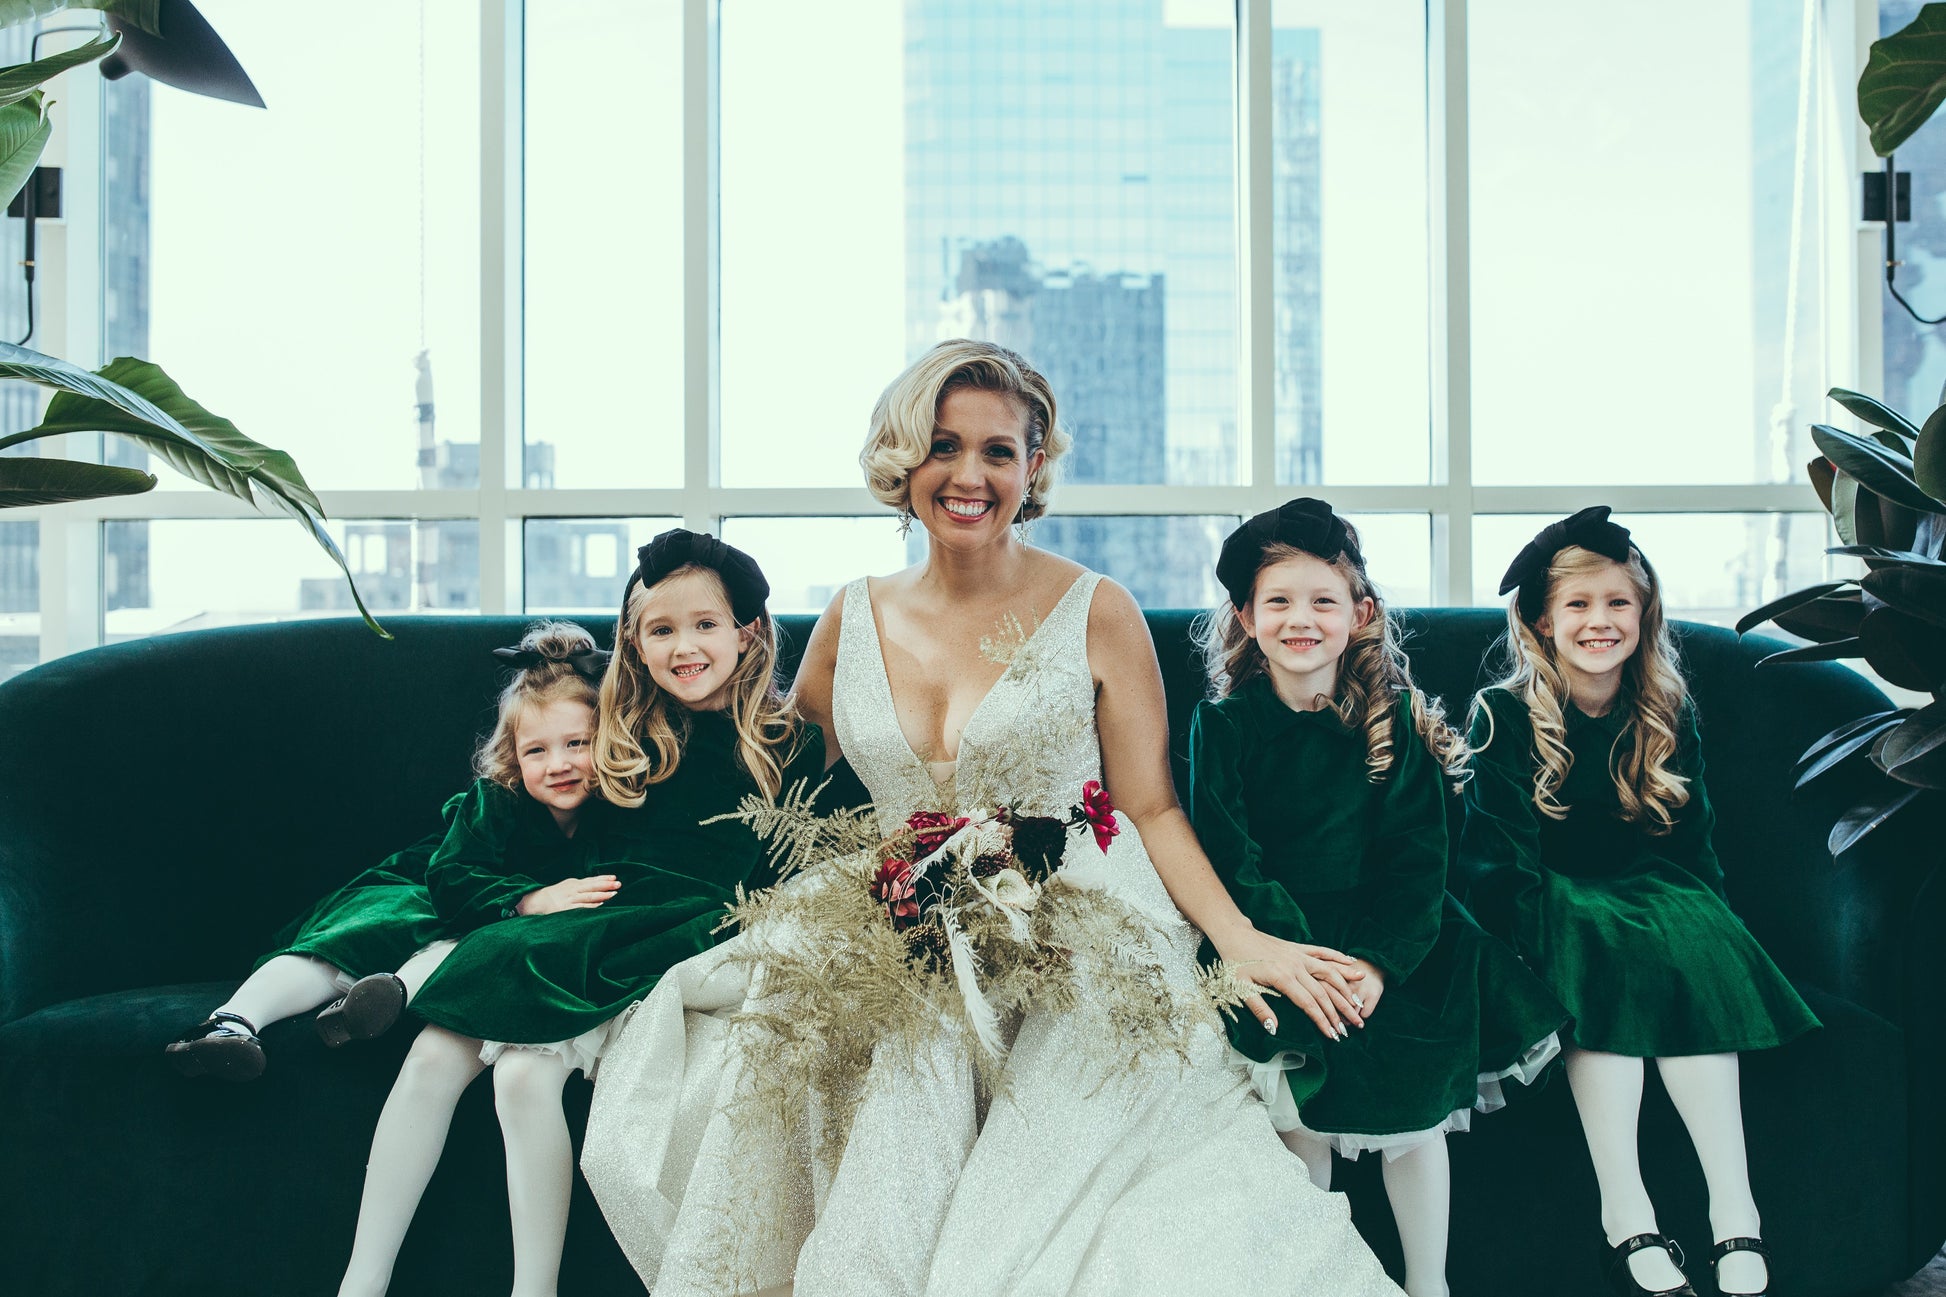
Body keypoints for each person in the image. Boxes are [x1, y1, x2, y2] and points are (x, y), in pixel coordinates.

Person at [586, 340, 1403, 1297]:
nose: (969, 475)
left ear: (1033, 466)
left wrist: (1241, 938)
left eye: (999, 451)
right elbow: (772, 779)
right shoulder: (850, 617)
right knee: (864, 1041)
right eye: (942, 445)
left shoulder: (1100, 609)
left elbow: (1149, 807)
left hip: (1074, 903)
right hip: (895, 907)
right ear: (904, 458)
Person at [338, 587, 822, 1297]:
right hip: (561, 927)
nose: (684, 647)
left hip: (636, 938)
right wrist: (527, 898)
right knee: (434, 1050)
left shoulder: (770, 741)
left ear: (748, 633)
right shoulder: (627, 723)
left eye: (705, 626)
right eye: (662, 631)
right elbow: (497, 837)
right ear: (635, 645)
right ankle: (362, 1280)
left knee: (523, 1075)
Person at [1188, 498, 1566, 1297]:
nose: (1302, 619)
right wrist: (1301, 961)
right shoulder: (1221, 727)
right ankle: (1310, 1277)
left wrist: (1376, 963)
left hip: (1396, 944)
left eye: (1323, 601)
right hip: (1277, 940)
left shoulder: (1389, 722)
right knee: (1298, 1118)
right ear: (1246, 615)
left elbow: (1419, 862)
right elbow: (1231, 856)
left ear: (1358, 613)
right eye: (1279, 601)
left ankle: (1428, 1282)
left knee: (1415, 1122)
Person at [1459, 508, 1818, 1297]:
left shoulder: (1665, 707)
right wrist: (1519, 958)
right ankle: (1628, 1213)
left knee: (1686, 928)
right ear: (1542, 620)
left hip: (1649, 889)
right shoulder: (1505, 712)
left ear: (1644, 615)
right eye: (1579, 605)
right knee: (1598, 942)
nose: (1599, 621)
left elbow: (1693, 843)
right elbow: (1497, 857)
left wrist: (1717, 939)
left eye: (1618, 603)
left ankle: (1737, 1212)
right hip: (1551, 897)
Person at [162, 634, 608, 1082]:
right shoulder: (495, 799)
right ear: (512, 757)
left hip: (482, 913)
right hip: (428, 883)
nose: (558, 765)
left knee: (451, 942)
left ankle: (359, 1007)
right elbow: (452, 875)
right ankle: (231, 1023)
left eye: (577, 744)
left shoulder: (618, 811)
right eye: (537, 750)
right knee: (370, 929)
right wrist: (528, 899)